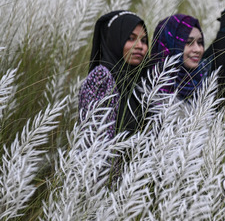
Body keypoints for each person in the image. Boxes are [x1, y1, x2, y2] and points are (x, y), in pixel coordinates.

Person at [78, 10, 149, 139]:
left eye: (144, 40)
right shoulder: (101, 78)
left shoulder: (142, 81)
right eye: (130, 38)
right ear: (115, 40)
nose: (139, 46)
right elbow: (95, 140)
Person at [150, 14, 208, 100]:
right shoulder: (149, 88)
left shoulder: (206, 81)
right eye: (189, 42)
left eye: (200, 42)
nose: (198, 49)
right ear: (169, 45)